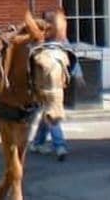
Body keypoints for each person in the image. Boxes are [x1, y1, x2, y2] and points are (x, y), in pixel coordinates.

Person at [30, 10, 70, 161]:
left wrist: (76, 74)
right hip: (45, 88)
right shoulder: (40, 43)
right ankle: (60, 146)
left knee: (48, 114)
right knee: (53, 116)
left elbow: (70, 56)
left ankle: (37, 143)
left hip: (56, 87)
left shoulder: (60, 44)